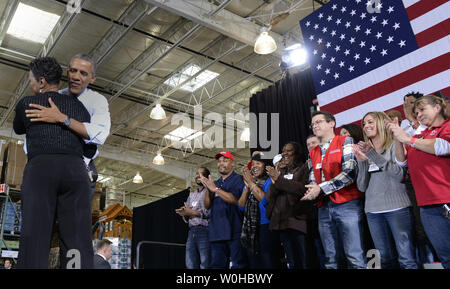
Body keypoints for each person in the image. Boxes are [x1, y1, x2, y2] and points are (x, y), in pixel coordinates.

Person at [14, 57, 94, 269]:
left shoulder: (26, 104)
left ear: (41, 82)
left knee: (36, 235)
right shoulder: (79, 107)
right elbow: (90, 146)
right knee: (76, 236)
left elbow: (18, 128)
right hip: (75, 172)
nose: (29, 84)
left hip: (41, 171)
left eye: (31, 80)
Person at [25, 54, 111, 201]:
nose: (76, 77)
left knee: (75, 221)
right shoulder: (54, 96)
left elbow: (99, 134)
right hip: (47, 166)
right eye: (73, 71)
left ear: (93, 78)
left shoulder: (97, 101)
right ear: (67, 72)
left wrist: (62, 118)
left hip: (83, 168)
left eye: (83, 73)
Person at [386, 95, 450, 269]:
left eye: (422, 110)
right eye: (416, 112)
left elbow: (444, 146)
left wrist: (407, 139)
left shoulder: (446, 126)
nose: (418, 114)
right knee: (445, 256)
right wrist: (398, 138)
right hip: (426, 205)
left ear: (437, 107)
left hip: (446, 199)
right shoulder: (420, 134)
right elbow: (401, 162)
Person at [302, 111, 366, 269]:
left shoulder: (346, 141)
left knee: (355, 257)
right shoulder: (313, 152)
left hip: (348, 205)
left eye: (319, 122)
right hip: (323, 208)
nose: (315, 126)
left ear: (332, 123)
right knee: (331, 259)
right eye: (313, 124)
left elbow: (350, 173)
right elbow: (312, 178)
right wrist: (311, 192)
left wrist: (320, 188)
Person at [354, 112, 417, 269]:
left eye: (370, 122)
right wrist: (362, 162)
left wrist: (372, 154)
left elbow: (398, 175)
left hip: (397, 208)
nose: (366, 125)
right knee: (385, 258)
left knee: (406, 258)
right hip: (373, 211)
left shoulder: (394, 145)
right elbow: (361, 187)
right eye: (364, 123)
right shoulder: (365, 150)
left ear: (382, 123)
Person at [265, 142, 314, 269]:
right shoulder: (280, 171)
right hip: (282, 223)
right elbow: (269, 197)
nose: (284, 153)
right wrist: (276, 179)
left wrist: (279, 179)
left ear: (296, 153)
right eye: (283, 151)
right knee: (291, 261)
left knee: (304, 260)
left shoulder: (303, 168)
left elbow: (301, 189)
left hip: (297, 220)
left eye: (289, 150)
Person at [201, 151, 246, 269]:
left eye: (225, 161)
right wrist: (207, 189)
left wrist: (214, 189)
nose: (221, 163)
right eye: (219, 161)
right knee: (216, 266)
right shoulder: (215, 183)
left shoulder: (239, 179)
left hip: (234, 230)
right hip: (217, 232)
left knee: (238, 265)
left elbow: (235, 200)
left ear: (233, 164)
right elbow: (207, 205)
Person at [238, 152, 280, 269]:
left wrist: (251, 183)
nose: (254, 166)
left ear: (266, 165)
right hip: (251, 229)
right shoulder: (250, 183)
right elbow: (241, 206)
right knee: (254, 263)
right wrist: (247, 187)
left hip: (267, 227)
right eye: (252, 164)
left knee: (268, 262)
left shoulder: (269, 181)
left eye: (258, 163)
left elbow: (265, 200)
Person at [175, 167, 211, 269]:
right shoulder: (191, 195)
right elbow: (187, 216)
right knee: (190, 262)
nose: (197, 176)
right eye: (196, 174)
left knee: (205, 263)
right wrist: (185, 213)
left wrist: (191, 212)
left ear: (206, 177)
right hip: (191, 231)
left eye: (201, 174)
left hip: (204, 230)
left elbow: (208, 213)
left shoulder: (208, 192)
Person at [305, 135, 326, 269]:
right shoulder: (308, 162)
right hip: (315, 212)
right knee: (322, 248)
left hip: (333, 205)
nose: (311, 145)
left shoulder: (327, 157)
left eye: (314, 142)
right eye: (308, 144)